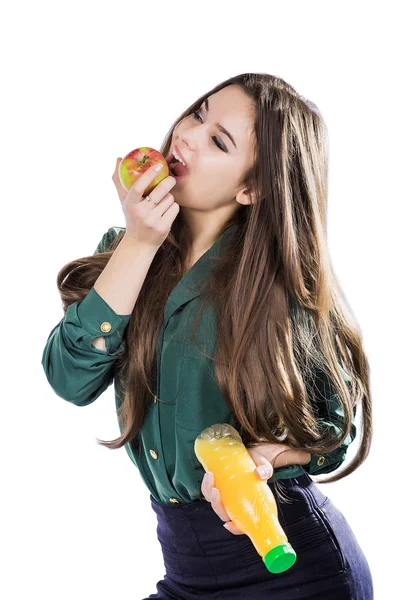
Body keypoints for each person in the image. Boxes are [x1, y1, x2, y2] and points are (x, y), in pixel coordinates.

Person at [41, 73, 374, 599]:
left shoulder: (278, 286)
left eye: (219, 140)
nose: (187, 136)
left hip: (293, 571)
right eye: (198, 113)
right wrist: (139, 242)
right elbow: (68, 379)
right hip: (186, 573)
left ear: (252, 189)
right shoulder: (126, 254)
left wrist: (266, 457)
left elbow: (335, 429)